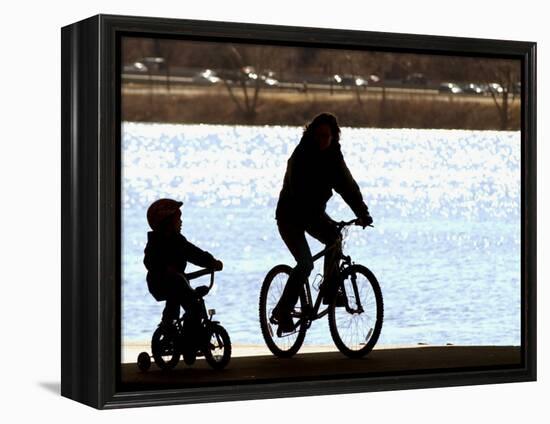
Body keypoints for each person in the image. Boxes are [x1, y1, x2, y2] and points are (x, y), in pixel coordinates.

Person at [273, 112, 373, 333]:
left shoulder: (334, 157)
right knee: (306, 264)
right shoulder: (300, 156)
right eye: (318, 136)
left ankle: (329, 288)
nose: (322, 141)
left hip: (313, 214)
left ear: (334, 137)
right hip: (290, 216)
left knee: (334, 239)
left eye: (327, 136)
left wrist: (362, 213)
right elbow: (298, 191)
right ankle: (282, 311)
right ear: (311, 135)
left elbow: (347, 186)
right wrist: (317, 216)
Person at [143, 198, 223, 336]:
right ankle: (168, 324)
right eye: (178, 219)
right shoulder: (155, 242)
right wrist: (164, 269)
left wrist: (211, 262)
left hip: (179, 282)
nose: (181, 222)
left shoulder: (179, 241)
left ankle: (190, 337)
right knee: (174, 297)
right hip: (160, 283)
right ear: (167, 222)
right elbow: (149, 261)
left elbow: (194, 253)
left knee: (195, 305)